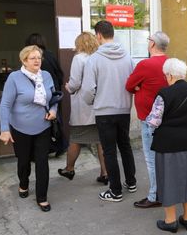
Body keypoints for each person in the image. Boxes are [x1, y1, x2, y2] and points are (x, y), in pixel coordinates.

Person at [80, 20, 137, 202]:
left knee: (109, 151)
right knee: (125, 146)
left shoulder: (94, 59)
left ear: (98, 35)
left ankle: (115, 191)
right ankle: (131, 181)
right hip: (124, 109)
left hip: (104, 111)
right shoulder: (128, 57)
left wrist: (91, 101)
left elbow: (88, 89)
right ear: (112, 33)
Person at [145, 58, 187, 233]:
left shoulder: (164, 94)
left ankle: (170, 221)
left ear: (170, 75)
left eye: (166, 75)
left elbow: (153, 121)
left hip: (168, 144)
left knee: (168, 179)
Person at [0, 45, 57, 212]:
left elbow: (53, 98)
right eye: (33, 58)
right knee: (24, 161)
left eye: (39, 57)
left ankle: (42, 197)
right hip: (20, 127)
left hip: (43, 126)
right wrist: (4, 129)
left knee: (42, 162)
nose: (37, 60)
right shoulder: (14, 78)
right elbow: (5, 105)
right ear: (24, 60)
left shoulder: (46, 76)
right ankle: (23, 184)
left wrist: (53, 111)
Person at [125, 31, 170, 208]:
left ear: (152, 44)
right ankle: (164, 191)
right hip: (166, 117)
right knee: (165, 158)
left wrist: (139, 88)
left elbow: (129, 85)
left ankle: (155, 196)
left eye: (148, 41)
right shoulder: (169, 63)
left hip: (149, 118)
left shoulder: (146, 64)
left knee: (152, 159)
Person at [57, 32, 108, 184]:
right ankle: (105, 173)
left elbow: (75, 82)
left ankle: (69, 169)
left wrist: (69, 88)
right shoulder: (100, 57)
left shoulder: (79, 58)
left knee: (76, 138)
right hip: (100, 105)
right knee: (101, 141)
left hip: (84, 107)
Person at [25, 33, 66, 156]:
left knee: (40, 122)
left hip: (40, 94)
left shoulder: (31, 58)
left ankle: (45, 148)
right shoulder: (50, 55)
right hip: (53, 93)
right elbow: (60, 74)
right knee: (55, 121)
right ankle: (60, 146)